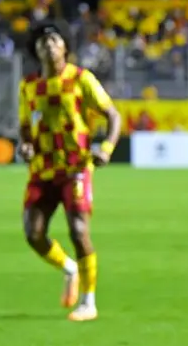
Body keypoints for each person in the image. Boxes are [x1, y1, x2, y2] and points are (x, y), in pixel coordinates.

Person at [18, 21, 121, 322]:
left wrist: (106, 148)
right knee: (33, 234)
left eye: (54, 39)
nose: (48, 44)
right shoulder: (28, 86)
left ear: (65, 47)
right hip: (42, 170)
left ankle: (89, 301)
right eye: (42, 41)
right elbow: (25, 127)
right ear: (36, 51)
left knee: (78, 230)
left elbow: (112, 114)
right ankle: (69, 268)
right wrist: (24, 146)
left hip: (75, 167)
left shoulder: (80, 78)